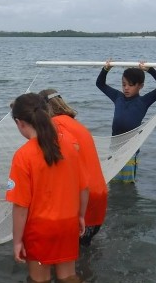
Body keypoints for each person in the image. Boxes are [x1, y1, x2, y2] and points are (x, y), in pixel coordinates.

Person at [6, 93, 89, 283]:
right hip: (68, 224)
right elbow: (84, 188)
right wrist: (80, 216)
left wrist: (17, 241)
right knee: (69, 277)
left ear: (20, 123)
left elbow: (20, 207)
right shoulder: (69, 146)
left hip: (40, 232)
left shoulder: (23, 156)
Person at [39, 89, 108, 247]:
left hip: (83, 201)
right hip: (99, 196)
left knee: (67, 258)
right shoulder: (76, 124)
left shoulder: (55, 126)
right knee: (83, 251)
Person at [96, 59, 156, 183]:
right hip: (113, 150)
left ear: (140, 86)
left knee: (127, 184)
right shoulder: (117, 97)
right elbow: (100, 84)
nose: (126, 88)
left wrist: (150, 70)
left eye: (130, 85)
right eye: (124, 84)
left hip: (130, 152)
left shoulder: (144, 101)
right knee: (112, 182)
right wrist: (106, 69)